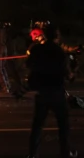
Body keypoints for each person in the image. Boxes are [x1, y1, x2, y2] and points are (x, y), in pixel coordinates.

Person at [25, 24, 77, 158]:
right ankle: (65, 152)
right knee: (63, 125)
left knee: (37, 126)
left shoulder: (36, 50)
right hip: (56, 92)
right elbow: (67, 72)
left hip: (42, 92)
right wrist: (72, 74)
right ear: (56, 35)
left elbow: (29, 65)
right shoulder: (58, 51)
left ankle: (32, 154)